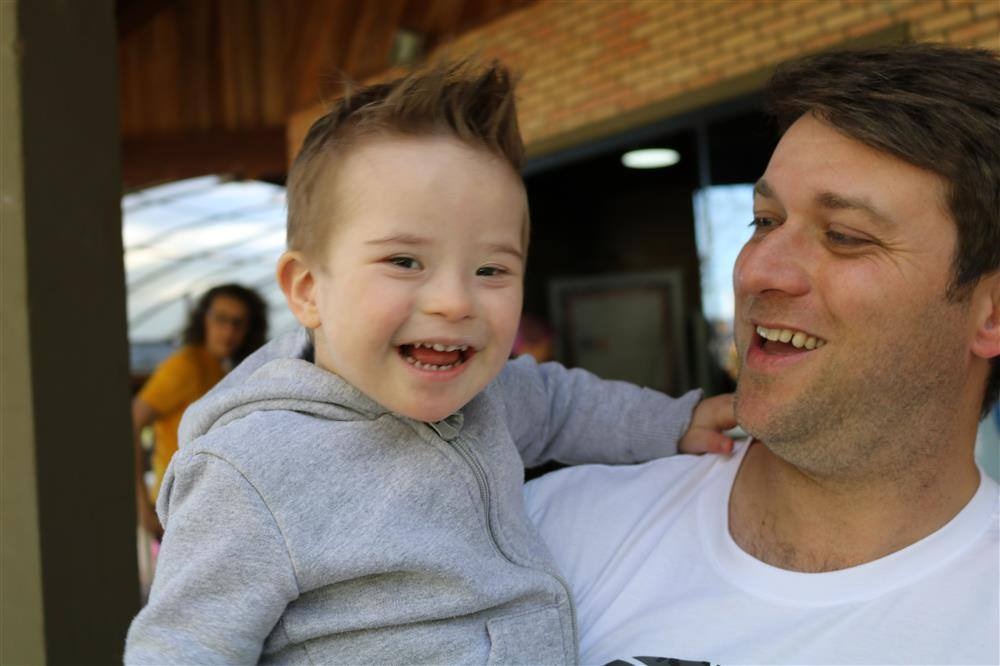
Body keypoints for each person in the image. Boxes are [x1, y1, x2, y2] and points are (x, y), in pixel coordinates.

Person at [123, 60, 737, 664]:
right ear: (308, 289)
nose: (453, 301)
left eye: (491, 269)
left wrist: (674, 423)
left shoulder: (491, 398)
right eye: (405, 262)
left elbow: (562, 403)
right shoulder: (252, 469)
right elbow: (182, 646)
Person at [526, 44, 1000, 665]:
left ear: (990, 314)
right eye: (764, 220)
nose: (758, 271)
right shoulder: (548, 533)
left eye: (845, 236)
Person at [132, 283, 268, 539]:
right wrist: (141, 507)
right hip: (180, 507)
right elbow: (132, 420)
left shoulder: (224, 369)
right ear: (202, 318)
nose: (229, 330)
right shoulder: (185, 366)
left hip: (210, 506)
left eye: (239, 322)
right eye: (221, 319)